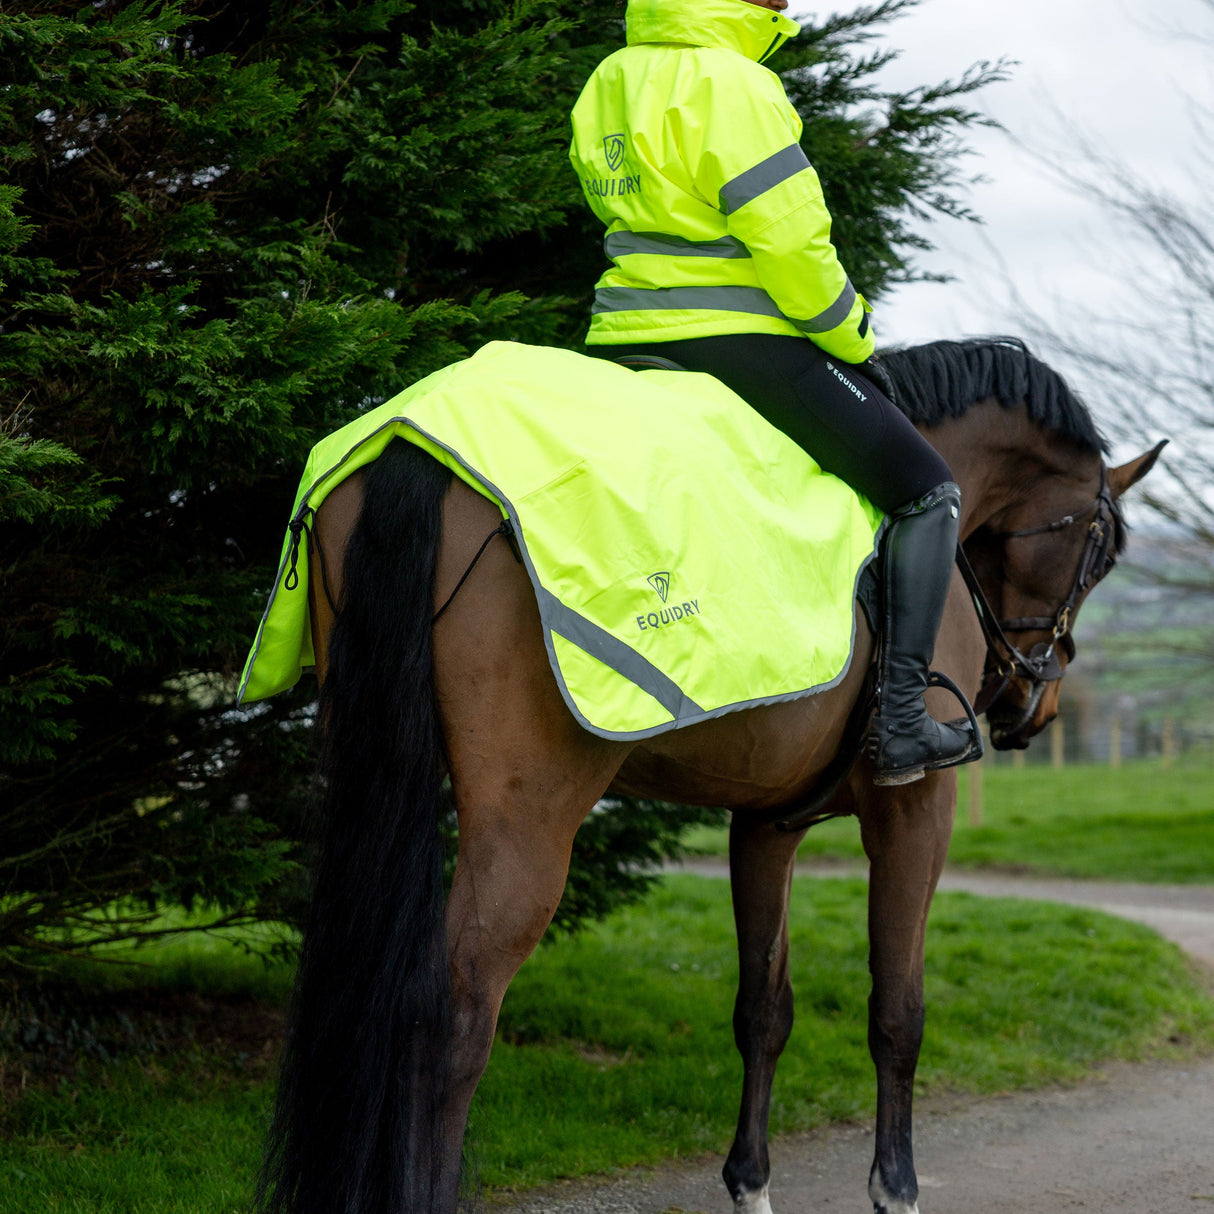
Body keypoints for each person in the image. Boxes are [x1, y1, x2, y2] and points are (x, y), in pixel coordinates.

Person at [569, 0, 980, 785]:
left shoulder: (608, 80)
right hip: (739, 341)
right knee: (928, 491)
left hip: (623, 337)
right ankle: (899, 723)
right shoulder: (735, 84)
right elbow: (793, 243)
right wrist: (852, 331)